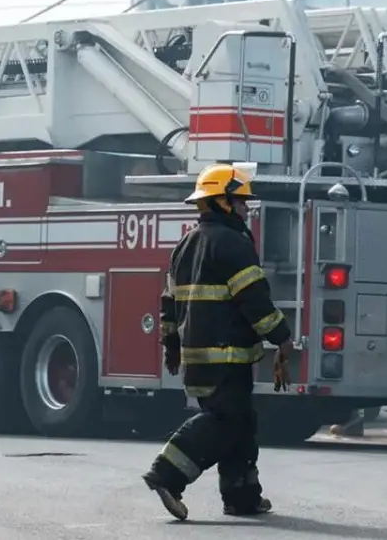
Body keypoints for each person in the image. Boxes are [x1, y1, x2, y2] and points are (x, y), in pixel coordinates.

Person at [141, 162, 294, 521]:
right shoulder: (233, 244)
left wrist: (171, 346)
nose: (245, 209)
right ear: (223, 202)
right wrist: (282, 338)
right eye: (241, 202)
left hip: (200, 355)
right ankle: (167, 475)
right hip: (227, 355)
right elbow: (254, 299)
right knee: (225, 420)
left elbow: (168, 301)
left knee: (241, 422)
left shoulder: (185, 244)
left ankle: (242, 497)